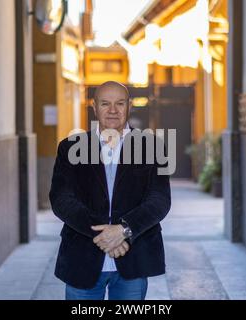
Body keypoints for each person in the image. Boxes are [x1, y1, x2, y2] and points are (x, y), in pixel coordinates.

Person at [49, 81, 171, 300]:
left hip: (133, 259)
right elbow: (61, 199)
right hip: (82, 259)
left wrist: (124, 230)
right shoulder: (70, 147)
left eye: (119, 103)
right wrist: (106, 235)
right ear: (94, 107)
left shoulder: (152, 146)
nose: (113, 110)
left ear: (129, 106)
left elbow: (159, 200)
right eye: (105, 103)